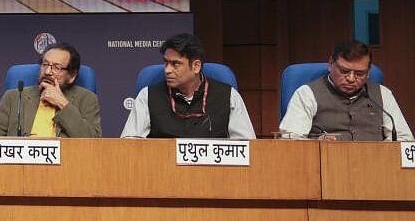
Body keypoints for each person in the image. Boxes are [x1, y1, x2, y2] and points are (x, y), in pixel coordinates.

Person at [121, 33, 256, 139]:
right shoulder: (147, 96)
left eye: (175, 64)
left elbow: (247, 147)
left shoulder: (229, 97)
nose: (167, 70)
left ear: (196, 66)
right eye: (166, 63)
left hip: (214, 173)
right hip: (162, 171)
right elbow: (130, 144)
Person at [278, 39, 413, 141]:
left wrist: (380, 153)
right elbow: (289, 140)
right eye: (344, 71)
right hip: (325, 168)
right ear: (330, 64)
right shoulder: (307, 94)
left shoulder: (382, 94)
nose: (351, 78)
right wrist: (316, 144)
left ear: (369, 72)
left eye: (360, 74)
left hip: (374, 167)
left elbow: (404, 139)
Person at [0, 43, 101, 137]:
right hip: (19, 165)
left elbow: (93, 142)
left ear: (72, 76)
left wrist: (62, 103)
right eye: (45, 64)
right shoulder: (13, 97)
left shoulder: (87, 99)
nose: (47, 72)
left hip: (67, 165)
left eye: (56, 67)